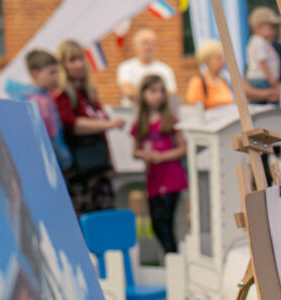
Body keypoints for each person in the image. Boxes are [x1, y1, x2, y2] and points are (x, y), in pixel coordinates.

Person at [55, 39, 125, 215]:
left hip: (99, 166)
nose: (78, 64)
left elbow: (101, 131)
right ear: (62, 64)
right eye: (72, 60)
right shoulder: (63, 94)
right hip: (79, 169)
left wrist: (110, 161)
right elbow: (71, 124)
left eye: (80, 59)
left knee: (105, 218)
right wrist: (108, 124)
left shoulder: (89, 93)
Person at [131, 74, 188, 254]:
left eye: (161, 91)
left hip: (171, 175)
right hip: (154, 177)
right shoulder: (140, 122)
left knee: (167, 222)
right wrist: (146, 155)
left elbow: (182, 148)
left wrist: (161, 156)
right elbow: (135, 150)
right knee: (156, 223)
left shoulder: (170, 119)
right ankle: (171, 259)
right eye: (153, 91)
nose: (158, 95)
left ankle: (173, 260)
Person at [15, 49, 72, 172]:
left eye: (57, 72)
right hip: (49, 163)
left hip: (58, 160)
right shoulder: (34, 101)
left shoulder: (46, 96)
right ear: (35, 74)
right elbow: (43, 136)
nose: (56, 76)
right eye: (51, 73)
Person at [116, 28, 177, 107]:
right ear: (135, 46)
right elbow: (128, 92)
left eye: (152, 43)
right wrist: (157, 94)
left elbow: (171, 94)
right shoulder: (126, 67)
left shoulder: (165, 69)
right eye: (144, 43)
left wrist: (140, 92)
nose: (148, 47)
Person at [245, 7, 281, 103]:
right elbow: (263, 63)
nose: (273, 32)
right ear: (258, 27)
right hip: (261, 80)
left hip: (263, 79)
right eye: (271, 28)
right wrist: (272, 80)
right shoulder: (259, 42)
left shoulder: (263, 42)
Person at [186, 40, 234, 111]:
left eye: (222, 58)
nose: (222, 61)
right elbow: (196, 110)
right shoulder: (198, 81)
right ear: (207, 60)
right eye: (218, 58)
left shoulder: (224, 79)